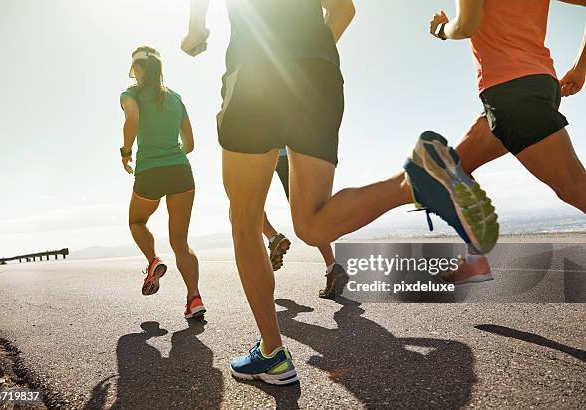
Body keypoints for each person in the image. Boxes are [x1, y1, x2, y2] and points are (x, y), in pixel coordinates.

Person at [182, 0, 497, 385]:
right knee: (313, 224)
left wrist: (196, 28)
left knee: (244, 220)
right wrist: (307, 57)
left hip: (256, 73)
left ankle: (272, 353)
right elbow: (344, 10)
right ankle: (416, 182)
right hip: (319, 74)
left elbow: (198, 30)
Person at [428, 0, 586, 284]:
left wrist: (441, 28)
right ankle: (475, 261)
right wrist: (579, 69)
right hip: (533, 83)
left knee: (575, 188)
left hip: (511, 90)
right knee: (453, 169)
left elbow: (466, 26)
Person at [120, 46, 206, 319]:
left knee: (137, 221)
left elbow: (132, 119)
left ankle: (153, 260)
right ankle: (194, 299)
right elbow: (190, 144)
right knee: (181, 242)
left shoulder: (130, 94)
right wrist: (173, 152)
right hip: (181, 171)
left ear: (139, 69)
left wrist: (126, 152)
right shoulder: (176, 98)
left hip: (150, 172)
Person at [263, 147, 348, 299]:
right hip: (287, 150)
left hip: (258, 149)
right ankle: (332, 266)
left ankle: (272, 237)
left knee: (244, 205)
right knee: (307, 211)